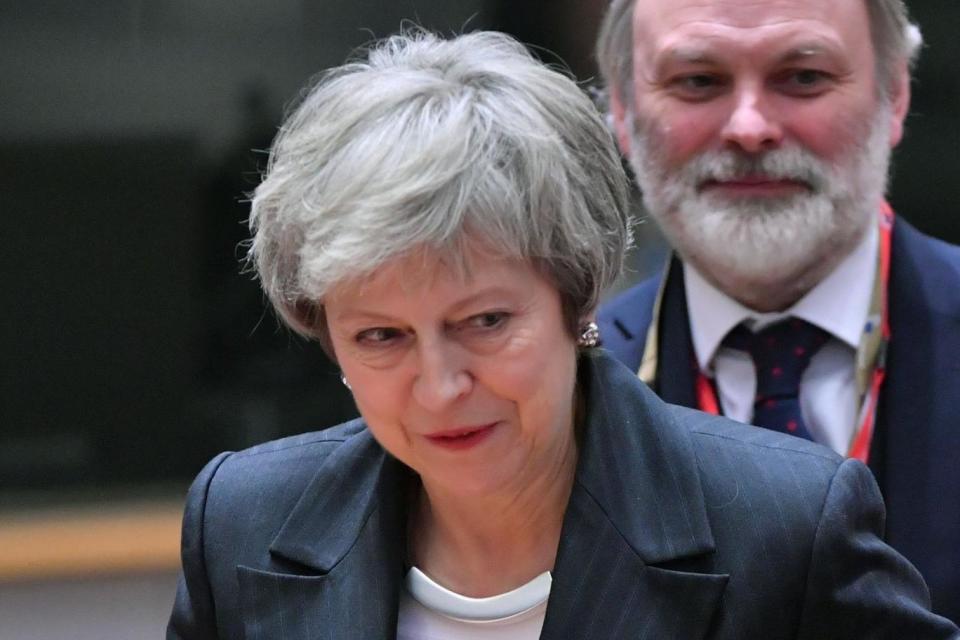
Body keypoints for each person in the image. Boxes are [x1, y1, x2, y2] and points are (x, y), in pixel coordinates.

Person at [167, 30, 958, 639]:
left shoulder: (786, 527)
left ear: (576, 299)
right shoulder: (241, 521)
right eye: (381, 337)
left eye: (484, 322)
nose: (441, 387)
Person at [595, 0, 960, 623]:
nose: (749, 127)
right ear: (623, 114)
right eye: (698, 81)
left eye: (803, 77)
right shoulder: (565, 390)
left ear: (894, 95)